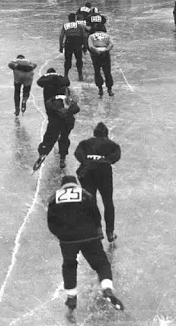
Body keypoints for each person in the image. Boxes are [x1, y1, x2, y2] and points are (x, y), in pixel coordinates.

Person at [47, 171, 124, 311]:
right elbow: (95, 214)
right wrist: (98, 230)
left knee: (69, 266)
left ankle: (71, 297)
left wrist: (61, 235)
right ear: (75, 184)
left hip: (67, 240)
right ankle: (107, 289)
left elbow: (51, 222)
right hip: (89, 236)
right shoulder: (85, 195)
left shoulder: (54, 199)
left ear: (62, 186)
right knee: (101, 264)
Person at [75, 123, 122, 242]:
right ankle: (110, 232)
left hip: (87, 172)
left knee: (91, 200)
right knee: (108, 201)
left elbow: (77, 153)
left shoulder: (85, 143)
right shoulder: (112, 144)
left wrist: (86, 161)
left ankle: (97, 229)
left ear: (94, 133)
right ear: (106, 134)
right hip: (103, 173)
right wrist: (106, 160)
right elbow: (116, 154)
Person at [33, 90, 80, 171]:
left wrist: (57, 111)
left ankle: (43, 153)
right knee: (64, 138)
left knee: (49, 138)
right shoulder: (69, 98)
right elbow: (76, 108)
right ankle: (62, 158)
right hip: (68, 122)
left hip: (55, 122)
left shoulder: (52, 99)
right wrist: (67, 111)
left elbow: (48, 105)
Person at [88, 23, 114, 97]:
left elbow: (90, 46)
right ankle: (109, 89)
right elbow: (111, 44)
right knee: (107, 72)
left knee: (97, 71)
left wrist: (97, 51)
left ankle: (100, 89)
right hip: (105, 54)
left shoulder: (91, 36)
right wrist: (106, 50)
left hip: (96, 55)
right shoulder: (107, 36)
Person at [59, 11, 87, 80]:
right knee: (79, 59)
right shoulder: (79, 26)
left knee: (67, 60)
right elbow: (85, 36)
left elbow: (61, 36)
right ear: (75, 19)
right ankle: (80, 75)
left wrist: (61, 46)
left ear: (68, 19)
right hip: (78, 43)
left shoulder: (65, 26)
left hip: (69, 42)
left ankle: (66, 75)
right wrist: (85, 46)